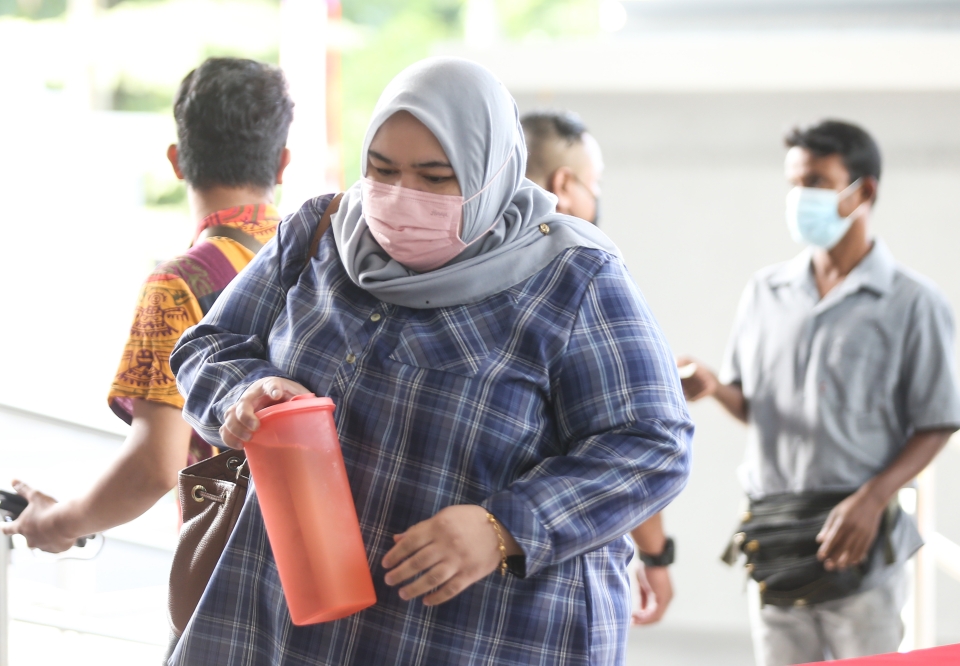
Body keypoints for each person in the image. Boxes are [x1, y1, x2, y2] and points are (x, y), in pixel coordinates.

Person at [168, 57, 693, 665]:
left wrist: (506, 527)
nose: (400, 197)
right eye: (382, 170)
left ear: (489, 173)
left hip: (476, 639)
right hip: (283, 628)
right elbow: (207, 346)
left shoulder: (575, 277)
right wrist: (244, 392)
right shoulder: (322, 232)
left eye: (434, 177)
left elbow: (655, 444)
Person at [679, 119, 960, 665]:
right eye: (793, 183)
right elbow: (760, 408)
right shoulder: (766, 292)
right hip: (776, 538)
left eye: (815, 182)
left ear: (865, 191)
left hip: (856, 541)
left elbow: (939, 419)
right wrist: (715, 387)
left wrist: (874, 498)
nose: (799, 198)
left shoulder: (912, 304)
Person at [0, 58, 292, 552]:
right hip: (321, 561)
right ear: (283, 162)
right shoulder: (318, 258)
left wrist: (59, 522)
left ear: (176, 160)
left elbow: (156, 467)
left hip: (229, 573)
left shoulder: (180, 283)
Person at [522, 109, 677, 626]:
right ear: (563, 184)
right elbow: (630, 441)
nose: (598, 199)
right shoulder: (586, 279)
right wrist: (655, 556)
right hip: (554, 596)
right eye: (597, 184)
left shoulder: (450, 266)